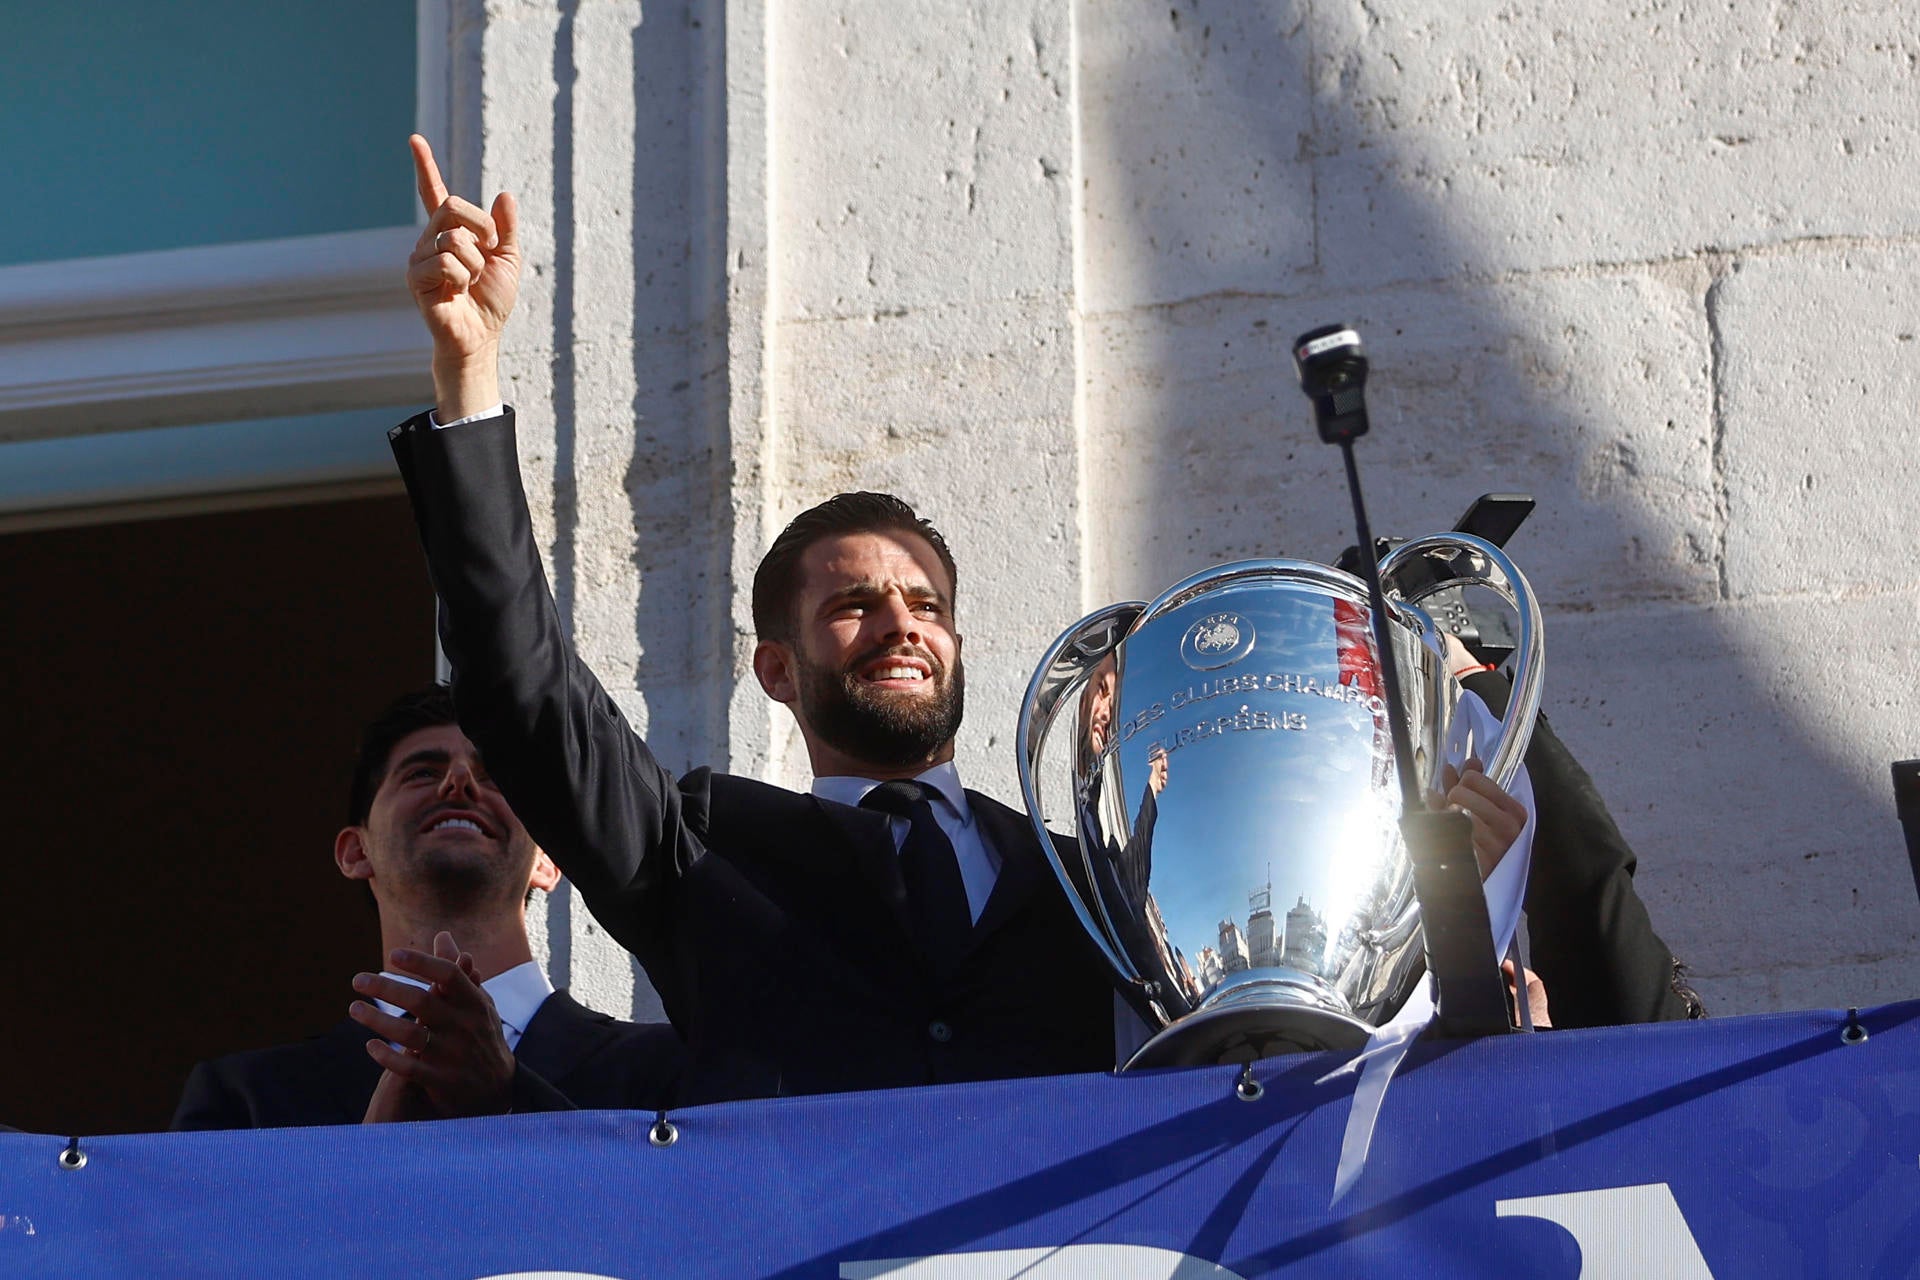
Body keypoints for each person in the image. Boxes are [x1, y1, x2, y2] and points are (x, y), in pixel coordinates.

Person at [388, 136, 1534, 1103]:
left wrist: (1448, 910)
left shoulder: (1106, 875)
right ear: (776, 669)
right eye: (853, 603)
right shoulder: (699, 849)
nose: (900, 624)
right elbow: (521, 684)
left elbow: (1283, 1076)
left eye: (926, 603)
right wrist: (468, 366)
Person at [171, 686, 682, 1130]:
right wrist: (374, 1157)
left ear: (547, 860)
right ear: (356, 852)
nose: (457, 781)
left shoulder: (665, 1070)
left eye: (495, 776)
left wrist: (509, 1100)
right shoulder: (248, 1098)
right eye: (421, 772)